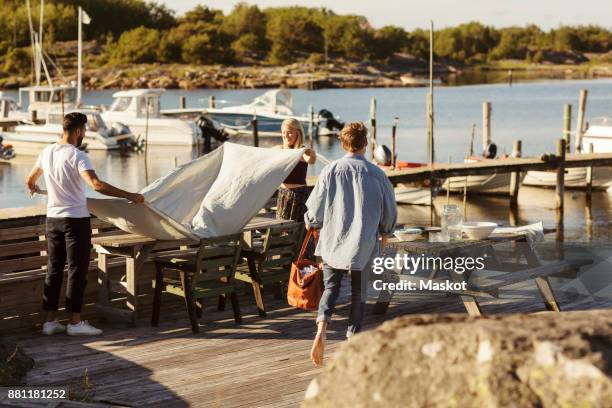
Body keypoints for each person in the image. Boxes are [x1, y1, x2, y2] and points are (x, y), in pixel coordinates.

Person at [25, 112, 145, 336]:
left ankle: (50, 322)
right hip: (75, 220)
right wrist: (130, 195)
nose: (85, 134)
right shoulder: (78, 155)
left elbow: (29, 180)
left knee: (54, 269)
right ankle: (75, 323)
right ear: (79, 130)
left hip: (53, 219)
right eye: (85, 130)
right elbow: (96, 185)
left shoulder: (47, 151)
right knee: (77, 270)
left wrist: (33, 187)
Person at [304, 121, 397, 367]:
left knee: (331, 288)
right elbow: (389, 212)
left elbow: (314, 211)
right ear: (365, 144)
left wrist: (312, 222)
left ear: (343, 144)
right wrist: (385, 232)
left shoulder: (330, 171)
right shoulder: (378, 174)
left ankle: (322, 330)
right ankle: (351, 341)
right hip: (363, 243)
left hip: (333, 240)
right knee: (359, 293)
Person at [275, 118, 316, 222]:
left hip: (299, 195)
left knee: (298, 230)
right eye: (283, 132)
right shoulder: (279, 150)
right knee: (282, 228)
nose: (285, 135)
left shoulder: (303, 151)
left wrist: (307, 153)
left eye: (289, 132)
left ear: (298, 133)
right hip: (283, 194)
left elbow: (311, 160)